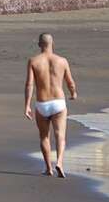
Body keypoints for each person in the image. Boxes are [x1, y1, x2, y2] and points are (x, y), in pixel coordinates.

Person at [24, 33, 77, 179]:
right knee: (60, 136)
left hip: (42, 103)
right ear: (52, 43)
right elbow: (70, 82)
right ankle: (59, 162)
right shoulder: (62, 61)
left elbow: (29, 85)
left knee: (44, 137)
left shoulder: (33, 61)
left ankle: (48, 168)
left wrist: (27, 105)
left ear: (39, 44)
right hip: (58, 103)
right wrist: (73, 93)